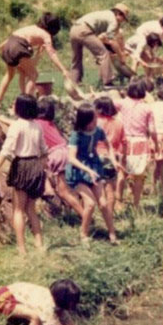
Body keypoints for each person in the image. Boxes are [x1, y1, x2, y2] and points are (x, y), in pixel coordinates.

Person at [0, 95, 48, 256]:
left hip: (22, 165)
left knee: (18, 210)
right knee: (31, 208)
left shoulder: (17, 126)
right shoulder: (37, 126)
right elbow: (44, 150)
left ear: (20, 108)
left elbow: (7, 150)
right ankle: (39, 244)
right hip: (36, 165)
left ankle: (21, 249)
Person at [65, 103, 119, 246]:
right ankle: (83, 234)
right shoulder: (76, 135)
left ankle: (112, 233)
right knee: (89, 204)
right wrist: (87, 170)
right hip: (79, 172)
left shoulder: (98, 131)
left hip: (94, 168)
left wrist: (113, 159)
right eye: (93, 120)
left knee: (103, 203)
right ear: (85, 121)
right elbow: (71, 158)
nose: (96, 122)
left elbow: (109, 145)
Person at [0, 13, 74, 109]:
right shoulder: (46, 35)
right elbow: (52, 54)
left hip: (8, 44)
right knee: (34, 75)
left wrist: (38, 54)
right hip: (19, 45)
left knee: (16, 74)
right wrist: (63, 70)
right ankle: (25, 104)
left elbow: (12, 40)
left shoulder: (32, 28)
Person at [35, 97, 85, 219]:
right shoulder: (50, 124)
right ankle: (84, 212)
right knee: (69, 189)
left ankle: (85, 216)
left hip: (57, 154)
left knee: (63, 192)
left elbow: (16, 124)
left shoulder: (36, 123)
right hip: (66, 151)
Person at [118, 79, 158, 209]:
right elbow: (152, 130)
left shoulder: (122, 103)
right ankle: (136, 204)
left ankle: (118, 200)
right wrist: (156, 143)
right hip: (140, 142)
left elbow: (107, 104)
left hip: (124, 141)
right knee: (139, 175)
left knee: (122, 172)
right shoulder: (147, 108)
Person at [68, 4, 130, 86]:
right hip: (84, 30)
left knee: (76, 57)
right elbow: (111, 41)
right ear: (119, 14)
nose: (122, 21)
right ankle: (108, 83)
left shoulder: (106, 14)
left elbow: (103, 39)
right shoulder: (113, 21)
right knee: (103, 54)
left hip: (74, 29)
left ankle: (74, 83)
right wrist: (121, 56)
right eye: (123, 18)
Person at [93, 96, 124, 213]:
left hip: (96, 156)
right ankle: (110, 214)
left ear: (100, 109)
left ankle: (95, 213)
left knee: (94, 187)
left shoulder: (96, 123)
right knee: (110, 189)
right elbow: (122, 141)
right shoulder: (119, 123)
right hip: (112, 158)